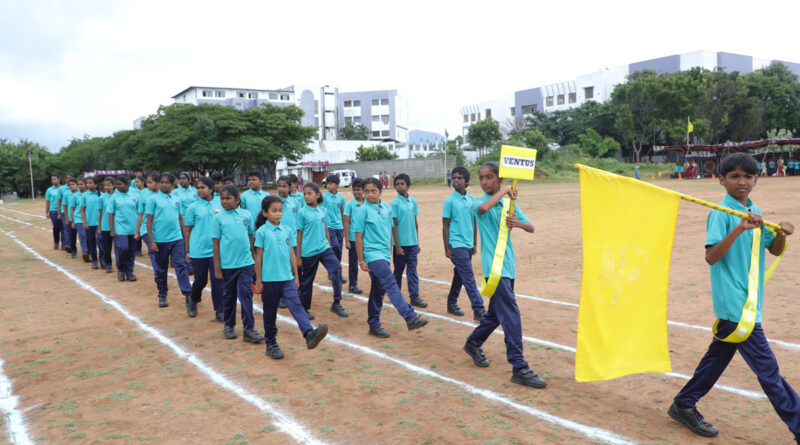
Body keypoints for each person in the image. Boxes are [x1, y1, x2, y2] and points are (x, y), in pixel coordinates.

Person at [668, 153, 798, 441]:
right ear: (721, 180)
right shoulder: (721, 213)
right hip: (736, 308)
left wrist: (782, 234)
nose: (742, 182)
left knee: (716, 360)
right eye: (735, 176)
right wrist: (739, 228)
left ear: (756, 180)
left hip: (749, 305)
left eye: (748, 176)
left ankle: (683, 404)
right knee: (769, 373)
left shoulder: (754, 210)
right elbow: (711, 256)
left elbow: (774, 249)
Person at [462, 162, 547, 389]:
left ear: (498, 179)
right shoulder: (479, 202)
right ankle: (519, 367)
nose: (484, 182)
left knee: (495, 315)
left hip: (508, 268)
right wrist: (505, 190)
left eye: (489, 177)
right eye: (481, 178)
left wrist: (516, 223)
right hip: (494, 270)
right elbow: (482, 210)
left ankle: (473, 342)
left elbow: (531, 227)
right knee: (511, 315)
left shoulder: (509, 204)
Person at [254, 196, 328, 359]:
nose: (278, 214)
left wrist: (296, 276)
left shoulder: (287, 230)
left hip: (286, 278)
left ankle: (309, 334)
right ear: (265, 213)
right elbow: (258, 258)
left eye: (280, 210)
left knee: (296, 305)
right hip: (269, 280)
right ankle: (271, 343)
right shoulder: (262, 232)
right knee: (270, 313)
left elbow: (291, 254)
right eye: (274, 211)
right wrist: (258, 281)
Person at [353, 177, 428, 338]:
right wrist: (361, 260)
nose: (370, 194)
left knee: (378, 290)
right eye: (367, 191)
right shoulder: (362, 211)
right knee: (390, 282)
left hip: (385, 254)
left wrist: (391, 252)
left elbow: (389, 232)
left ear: (380, 191)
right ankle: (410, 317)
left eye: (374, 191)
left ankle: (373, 324)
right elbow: (358, 237)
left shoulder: (387, 208)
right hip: (372, 255)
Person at [212, 184, 262, 344]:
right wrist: (217, 268)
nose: (224, 201)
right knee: (229, 296)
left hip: (245, 263)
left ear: (237, 200)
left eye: (228, 198)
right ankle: (229, 325)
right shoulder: (218, 218)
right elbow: (216, 244)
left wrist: (253, 258)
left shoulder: (246, 215)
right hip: (227, 265)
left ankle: (249, 329)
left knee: (246, 295)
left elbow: (251, 237)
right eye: (222, 198)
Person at [297, 182, 348, 319]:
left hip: (324, 248)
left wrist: (328, 244)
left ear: (317, 195)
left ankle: (336, 303)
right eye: (305, 194)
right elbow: (299, 235)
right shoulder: (302, 212)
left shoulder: (322, 210)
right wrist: (298, 257)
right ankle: (304, 308)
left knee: (336, 269)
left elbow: (325, 228)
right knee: (307, 281)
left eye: (309, 194)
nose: (306, 197)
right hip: (308, 251)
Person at [442, 166, 486, 320]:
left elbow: (474, 222)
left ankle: (451, 303)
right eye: (454, 178)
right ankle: (479, 309)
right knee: (468, 275)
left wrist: (474, 243)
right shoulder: (450, 201)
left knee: (460, 275)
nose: (456, 180)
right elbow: (445, 225)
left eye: (459, 178)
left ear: (466, 182)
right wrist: (446, 246)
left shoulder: (472, 199)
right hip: (456, 243)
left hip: (468, 243)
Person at [146, 172, 192, 308]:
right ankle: (162, 294)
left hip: (177, 239)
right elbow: (149, 221)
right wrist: (151, 241)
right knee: (161, 269)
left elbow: (180, 219)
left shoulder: (176, 199)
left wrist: (184, 237)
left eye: (167, 182)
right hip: (160, 240)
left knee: (181, 266)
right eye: (161, 182)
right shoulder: (153, 199)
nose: (163, 184)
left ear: (172, 185)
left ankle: (188, 294)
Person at [184, 177, 224, 321]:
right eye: (198, 188)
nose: (200, 190)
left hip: (216, 250)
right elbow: (187, 230)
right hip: (198, 249)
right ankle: (193, 299)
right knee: (200, 281)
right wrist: (187, 250)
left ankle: (219, 311)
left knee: (217, 281)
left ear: (211, 189)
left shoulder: (220, 202)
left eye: (203, 188)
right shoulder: (193, 207)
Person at [391, 173, 427, 308]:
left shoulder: (413, 201)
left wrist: (417, 242)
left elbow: (415, 222)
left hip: (412, 244)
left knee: (412, 270)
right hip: (401, 245)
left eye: (402, 184)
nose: (400, 187)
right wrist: (398, 246)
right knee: (398, 271)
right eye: (397, 184)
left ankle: (414, 296)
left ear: (408, 186)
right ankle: (396, 296)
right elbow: (393, 225)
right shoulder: (394, 203)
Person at [107, 175, 138, 282]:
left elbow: (139, 212)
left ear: (127, 184)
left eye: (120, 184)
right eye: (117, 184)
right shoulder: (114, 197)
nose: (118, 186)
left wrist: (138, 229)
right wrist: (112, 229)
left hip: (133, 228)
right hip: (120, 228)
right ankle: (121, 270)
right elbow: (110, 214)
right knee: (123, 249)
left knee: (131, 251)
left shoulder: (134, 195)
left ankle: (129, 272)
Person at [275, 175, 300, 308]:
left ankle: (293, 293)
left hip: (293, 240)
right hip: (279, 239)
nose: (282, 189)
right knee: (281, 267)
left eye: (284, 186)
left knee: (293, 266)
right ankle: (281, 297)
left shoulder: (294, 201)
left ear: (290, 187)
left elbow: (297, 220)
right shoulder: (274, 201)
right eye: (279, 186)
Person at [322, 174, 347, 284]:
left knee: (339, 251)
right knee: (334, 247)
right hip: (329, 227)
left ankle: (336, 273)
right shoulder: (324, 197)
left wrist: (344, 229)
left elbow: (342, 214)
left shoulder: (341, 198)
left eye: (331, 183)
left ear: (337, 185)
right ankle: (334, 273)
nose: (328, 185)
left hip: (339, 227)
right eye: (327, 183)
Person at [135, 172, 160, 278]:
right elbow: (140, 214)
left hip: (160, 228)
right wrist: (137, 232)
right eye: (147, 183)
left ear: (158, 183)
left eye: (151, 183)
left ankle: (160, 271)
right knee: (152, 249)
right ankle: (157, 273)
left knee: (160, 251)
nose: (148, 185)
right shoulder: (143, 194)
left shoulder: (164, 194)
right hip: (146, 227)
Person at [343, 177, 365, 294]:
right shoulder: (350, 204)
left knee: (371, 259)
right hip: (353, 238)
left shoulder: (368, 202)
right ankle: (352, 284)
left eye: (359, 189)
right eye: (354, 190)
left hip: (366, 237)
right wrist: (347, 240)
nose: (356, 192)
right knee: (353, 262)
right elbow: (346, 222)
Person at [81, 177, 102, 268]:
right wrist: (85, 222)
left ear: (96, 185)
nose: (87, 185)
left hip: (100, 224)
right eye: (87, 183)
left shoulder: (101, 195)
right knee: (91, 242)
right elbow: (82, 210)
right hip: (89, 223)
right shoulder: (84, 196)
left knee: (101, 242)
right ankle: (94, 260)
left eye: (90, 183)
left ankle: (103, 260)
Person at [69, 179, 89, 262]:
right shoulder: (75, 196)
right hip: (78, 218)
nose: (80, 186)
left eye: (82, 184)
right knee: (82, 235)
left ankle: (89, 251)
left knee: (89, 236)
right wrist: (73, 221)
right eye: (79, 184)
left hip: (89, 218)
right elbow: (73, 209)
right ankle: (85, 252)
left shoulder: (90, 195)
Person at [98, 176, 116, 273]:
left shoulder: (117, 196)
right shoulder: (101, 198)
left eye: (109, 185)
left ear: (113, 186)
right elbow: (100, 213)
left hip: (117, 226)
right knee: (106, 247)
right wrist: (99, 227)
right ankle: (108, 264)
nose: (107, 187)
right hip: (105, 226)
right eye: (105, 185)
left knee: (119, 247)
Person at [57, 173, 74, 253]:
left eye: (70, 178)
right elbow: (59, 201)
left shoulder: (76, 188)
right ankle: (67, 245)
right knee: (66, 229)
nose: (68, 179)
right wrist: (59, 213)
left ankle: (70, 244)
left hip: (75, 213)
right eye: (67, 178)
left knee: (73, 230)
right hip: (65, 212)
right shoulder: (62, 189)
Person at [45, 174, 63, 250]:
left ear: (59, 179)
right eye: (52, 179)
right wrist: (47, 212)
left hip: (63, 210)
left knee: (64, 228)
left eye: (54, 179)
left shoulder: (64, 188)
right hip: (53, 210)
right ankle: (56, 242)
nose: (53, 181)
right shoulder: (49, 190)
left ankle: (64, 244)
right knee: (56, 227)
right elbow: (47, 201)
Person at [64, 179, 79, 258]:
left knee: (83, 236)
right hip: (70, 218)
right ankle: (74, 251)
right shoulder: (67, 194)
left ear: (77, 185)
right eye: (69, 185)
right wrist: (66, 218)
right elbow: (65, 206)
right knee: (72, 236)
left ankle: (87, 251)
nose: (71, 186)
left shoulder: (81, 194)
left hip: (80, 219)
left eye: (73, 184)